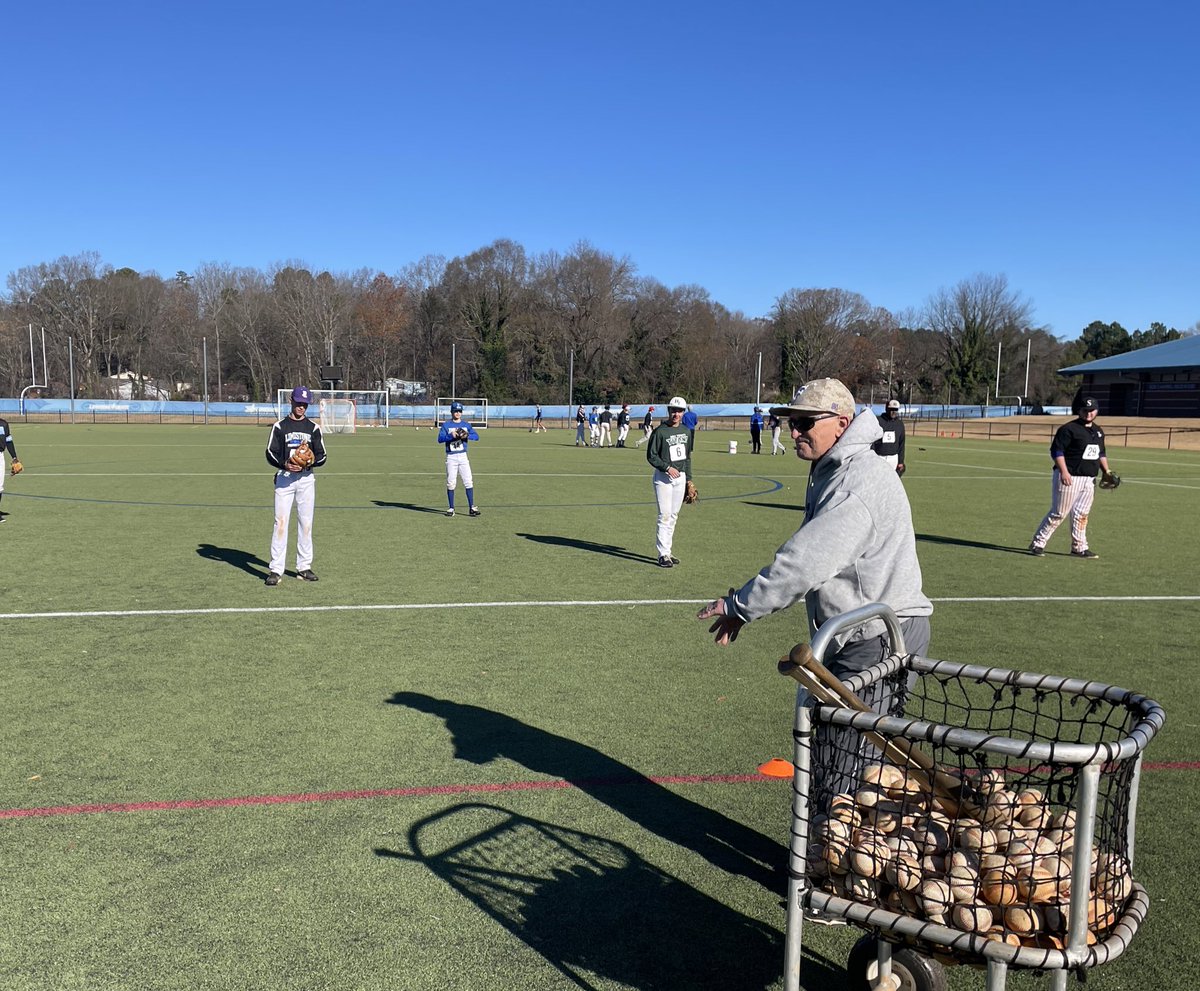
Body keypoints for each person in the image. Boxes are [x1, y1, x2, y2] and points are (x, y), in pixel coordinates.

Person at [697, 377, 932, 708]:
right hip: (867, 631)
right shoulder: (833, 470)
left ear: (841, 424)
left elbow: (805, 563)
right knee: (848, 749)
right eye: (791, 422)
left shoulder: (855, 482)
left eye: (805, 422)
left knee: (846, 752)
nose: (794, 432)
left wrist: (740, 606)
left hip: (878, 637)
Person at [1028, 395, 1116, 559]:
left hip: (1089, 479)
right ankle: (1038, 543)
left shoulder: (1098, 431)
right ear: (1079, 411)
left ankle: (1079, 547)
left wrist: (1107, 471)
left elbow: (1100, 453)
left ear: (1097, 411)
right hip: (1070, 477)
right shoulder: (1069, 429)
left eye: (1092, 410)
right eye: (1085, 410)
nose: (1089, 413)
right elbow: (1057, 451)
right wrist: (1064, 471)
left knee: (1081, 514)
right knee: (1059, 513)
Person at [264, 386, 328, 585]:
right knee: (281, 523)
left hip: (306, 480)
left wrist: (309, 462)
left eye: (305, 404)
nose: (301, 407)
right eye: (298, 402)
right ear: (291, 401)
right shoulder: (280, 426)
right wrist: (285, 463)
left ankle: (304, 567)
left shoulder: (313, 428)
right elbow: (270, 452)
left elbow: (322, 455)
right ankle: (276, 570)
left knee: (306, 522)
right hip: (285, 479)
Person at [646, 396, 694, 569]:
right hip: (663, 478)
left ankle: (668, 551)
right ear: (669, 411)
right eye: (673, 410)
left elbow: (687, 457)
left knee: (673, 516)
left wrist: (689, 479)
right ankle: (662, 554)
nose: (676, 414)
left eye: (679, 411)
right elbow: (651, 456)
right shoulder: (660, 432)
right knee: (664, 516)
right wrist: (666, 468)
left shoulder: (686, 431)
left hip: (680, 478)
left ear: (683, 412)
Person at [438, 401, 481, 517]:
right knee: (451, 483)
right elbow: (440, 439)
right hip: (451, 456)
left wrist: (467, 435)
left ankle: (472, 507)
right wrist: (450, 436)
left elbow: (476, 437)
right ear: (451, 412)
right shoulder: (446, 425)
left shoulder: (466, 425)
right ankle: (451, 508)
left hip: (463, 456)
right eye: (455, 411)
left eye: (459, 411)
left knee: (468, 481)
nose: (457, 413)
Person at [873, 399, 907, 476]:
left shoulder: (899, 424)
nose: (893, 412)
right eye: (891, 409)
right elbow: (872, 441)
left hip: (893, 459)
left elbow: (901, 443)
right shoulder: (878, 421)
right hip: (879, 457)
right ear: (886, 409)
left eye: (895, 410)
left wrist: (901, 461)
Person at [0, 415, 23, 521]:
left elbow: (8, 441)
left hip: (0, 455)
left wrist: (14, 458)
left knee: (0, 485)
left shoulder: (4, 424)